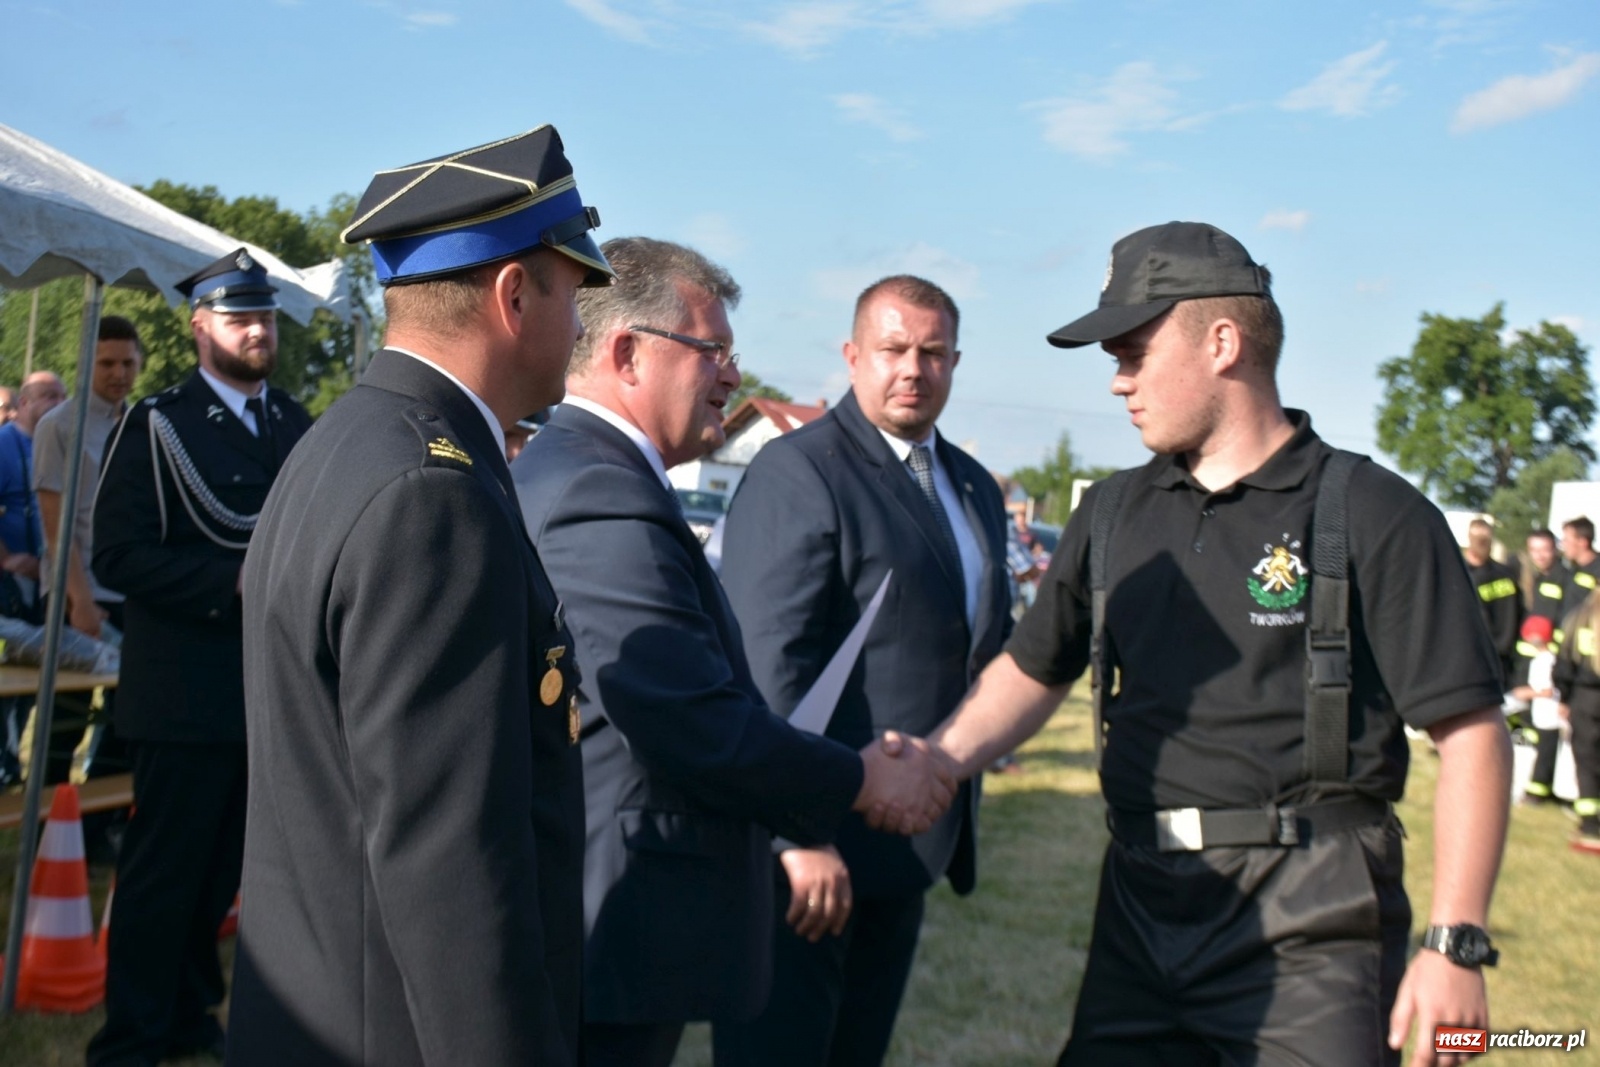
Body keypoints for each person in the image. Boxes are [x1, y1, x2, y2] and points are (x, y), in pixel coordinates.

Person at [928, 221, 1512, 1067]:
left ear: (1223, 343)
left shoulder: (1373, 512)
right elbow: (1033, 666)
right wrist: (938, 762)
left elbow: (1472, 733)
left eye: (1132, 353)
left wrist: (1455, 943)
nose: (1118, 382)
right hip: (1138, 903)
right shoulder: (1114, 512)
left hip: (1313, 918)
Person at [511, 239, 955, 1067]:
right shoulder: (596, 488)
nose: (731, 376)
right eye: (712, 351)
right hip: (613, 910)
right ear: (627, 352)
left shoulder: (593, 471)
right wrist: (858, 778)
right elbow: (688, 716)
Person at [229, 126, 609, 1067]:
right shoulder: (434, 492)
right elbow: (453, 866)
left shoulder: (346, 443)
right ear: (516, 295)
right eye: (574, 293)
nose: (583, 328)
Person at [715, 274, 1013, 1067]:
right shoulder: (800, 470)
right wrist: (794, 831)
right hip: (813, 857)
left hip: (910, 845)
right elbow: (767, 663)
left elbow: (986, 644)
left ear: (955, 362)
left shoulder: (975, 486)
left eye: (934, 352)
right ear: (853, 357)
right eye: (893, 349)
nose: (913, 368)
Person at [85, 253, 311, 1066]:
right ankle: (132, 1037)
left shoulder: (292, 421)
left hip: (266, 692)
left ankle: (188, 1012)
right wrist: (232, 581)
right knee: (163, 877)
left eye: (266, 316)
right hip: (182, 693)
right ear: (200, 327)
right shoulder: (158, 424)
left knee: (222, 874)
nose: (258, 330)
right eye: (240, 317)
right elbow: (116, 554)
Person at [0, 371, 67, 610]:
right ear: (24, 403)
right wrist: (6, 558)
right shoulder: (3, 444)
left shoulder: (62, 444)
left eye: (63, 397)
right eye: (50, 397)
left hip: (54, 582)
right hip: (12, 586)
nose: (60, 404)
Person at [1520, 529, 1571, 804]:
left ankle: (1540, 788)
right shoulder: (1537, 578)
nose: (1540, 555)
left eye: (1545, 549)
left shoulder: (1564, 579)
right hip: (1532, 662)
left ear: (1556, 549)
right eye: (1535, 550)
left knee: (1549, 724)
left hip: (1551, 661)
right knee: (1534, 724)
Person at [1554, 591, 1600, 854]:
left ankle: (1590, 825)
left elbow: (1564, 662)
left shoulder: (1579, 618)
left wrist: (1564, 695)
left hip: (1584, 698)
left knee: (1586, 761)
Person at [1463, 518, 1521, 684]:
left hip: (1505, 659)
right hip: (1477, 660)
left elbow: (1519, 611)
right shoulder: (1462, 575)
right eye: (1479, 540)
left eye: (1485, 540)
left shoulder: (1506, 574)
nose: (1482, 544)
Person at [1560, 516, 1600, 594]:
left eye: (1566, 540)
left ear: (1583, 542)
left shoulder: (1597, 571)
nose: (1563, 544)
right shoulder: (1571, 569)